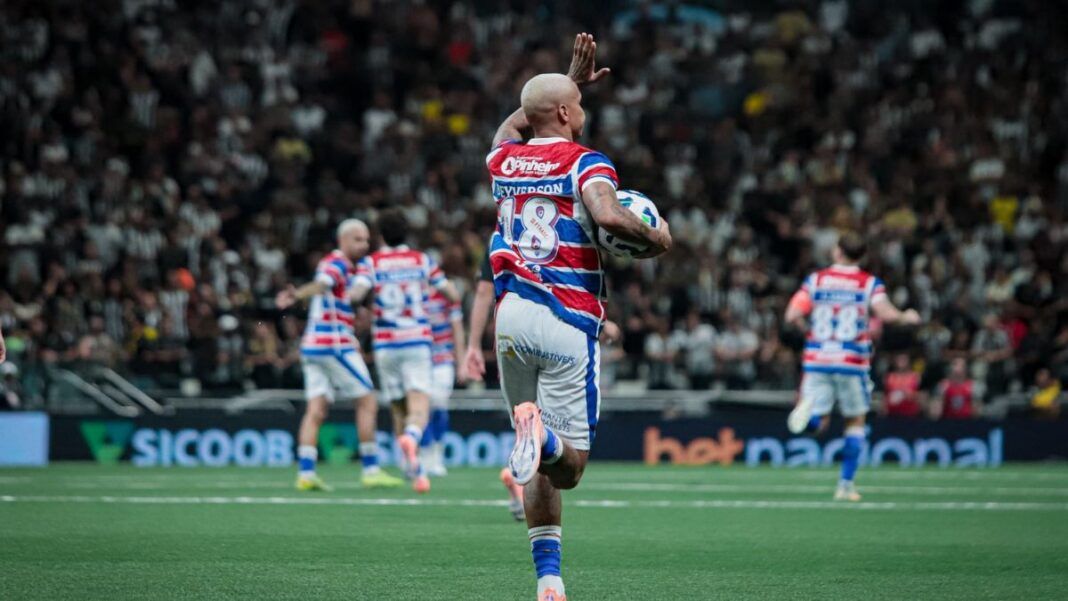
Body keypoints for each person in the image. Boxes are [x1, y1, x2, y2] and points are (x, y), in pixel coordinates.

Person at [487, 34, 671, 601]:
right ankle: (538, 437)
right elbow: (609, 217)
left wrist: (566, 81)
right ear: (567, 114)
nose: (584, 112)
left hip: (511, 316)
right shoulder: (587, 161)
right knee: (568, 466)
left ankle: (548, 580)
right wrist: (658, 238)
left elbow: (511, 128)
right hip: (567, 319)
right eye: (579, 105)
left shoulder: (502, 161)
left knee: (539, 449)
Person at [784, 231, 920, 501]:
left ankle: (808, 417)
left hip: (818, 358)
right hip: (851, 360)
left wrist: (809, 331)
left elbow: (792, 314)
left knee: (820, 422)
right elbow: (886, 314)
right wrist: (907, 317)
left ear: (837, 252)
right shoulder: (868, 283)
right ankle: (845, 485)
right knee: (855, 420)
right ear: (863, 256)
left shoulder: (817, 280)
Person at [275, 219, 403, 491]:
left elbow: (332, 297)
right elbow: (321, 285)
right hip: (334, 345)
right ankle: (370, 469)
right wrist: (297, 294)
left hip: (312, 345)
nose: (364, 245)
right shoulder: (338, 263)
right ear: (342, 240)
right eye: (358, 239)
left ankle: (306, 474)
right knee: (367, 401)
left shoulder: (339, 265)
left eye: (366, 240)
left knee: (316, 410)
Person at [350, 209, 461, 494]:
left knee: (398, 403)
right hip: (416, 340)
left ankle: (411, 466)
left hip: (386, 343)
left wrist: (363, 307)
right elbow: (450, 293)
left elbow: (355, 295)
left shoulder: (371, 262)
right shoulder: (421, 260)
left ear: (381, 235)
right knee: (419, 405)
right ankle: (412, 437)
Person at [466, 250, 527, 522]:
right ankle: (522, 478)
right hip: (553, 329)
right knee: (548, 418)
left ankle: (519, 476)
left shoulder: (499, 239)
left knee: (523, 414)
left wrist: (472, 346)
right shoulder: (559, 226)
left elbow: (483, 293)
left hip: (509, 331)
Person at [419, 284, 465, 476]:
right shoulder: (414, 293)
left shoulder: (447, 295)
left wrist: (462, 362)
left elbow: (457, 328)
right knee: (421, 408)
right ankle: (424, 456)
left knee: (439, 404)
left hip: (443, 359)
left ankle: (436, 455)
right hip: (419, 359)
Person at [881, 353, 925, 418]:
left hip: (910, 414)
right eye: (899, 360)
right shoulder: (889, 377)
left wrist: (904, 394)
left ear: (908, 362)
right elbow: (885, 396)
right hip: (892, 414)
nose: (901, 363)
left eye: (904, 360)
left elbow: (921, 396)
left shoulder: (915, 377)